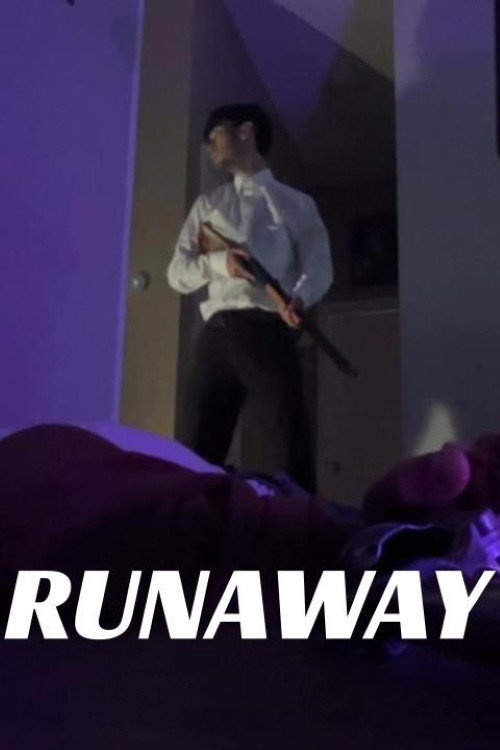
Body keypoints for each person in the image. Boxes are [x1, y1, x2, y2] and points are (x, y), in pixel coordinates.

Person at [167, 103, 333, 491]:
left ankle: (299, 524)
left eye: (215, 135)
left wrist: (299, 297)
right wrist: (220, 263)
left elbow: (320, 266)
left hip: (269, 331)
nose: (210, 146)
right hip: (216, 335)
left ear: (245, 132)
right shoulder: (208, 205)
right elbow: (177, 273)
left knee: (288, 448)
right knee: (193, 455)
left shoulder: (296, 204)